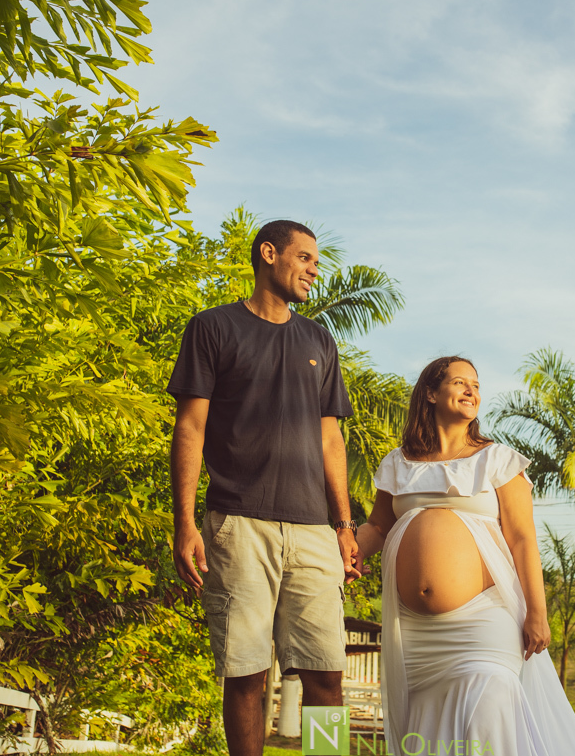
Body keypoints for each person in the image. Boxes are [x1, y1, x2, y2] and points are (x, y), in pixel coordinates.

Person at [168, 219, 361, 756]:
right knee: (246, 673)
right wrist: (185, 523)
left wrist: (344, 527)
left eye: (316, 263)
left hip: (314, 531)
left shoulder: (319, 339)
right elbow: (190, 428)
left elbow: (331, 441)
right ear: (268, 254)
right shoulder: (213, 328)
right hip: (238, 522)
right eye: (304, 259)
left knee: (327, 674)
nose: (313, 271)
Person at [355, 356, 575, 756]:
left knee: (490, 708)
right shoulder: (398, 463)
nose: (471, 391)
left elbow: (522, 540)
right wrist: (345, 552)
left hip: (483, 621)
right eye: (460, 382)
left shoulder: (498, 460)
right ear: (430, 393)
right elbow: (377, 527)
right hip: (415, 634)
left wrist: (538, 612)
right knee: (431, 738)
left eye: (476, 385)